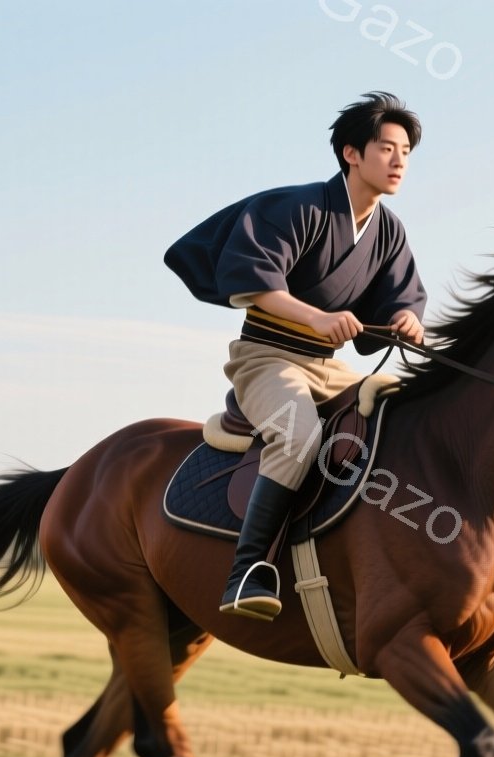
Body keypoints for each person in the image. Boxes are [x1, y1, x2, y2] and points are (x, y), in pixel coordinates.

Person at [164, 91, 428, 621]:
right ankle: (247, 571)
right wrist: (316, 317)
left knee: (403, 418)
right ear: (352, 153)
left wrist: (408, 320)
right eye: (386, 148)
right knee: (298, 435)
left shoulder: (389, 231)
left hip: (330, 365)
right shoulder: (296, 207)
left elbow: (401, 297)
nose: (399, 161)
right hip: (267, 356)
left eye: (406, 152)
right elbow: (256, 283)